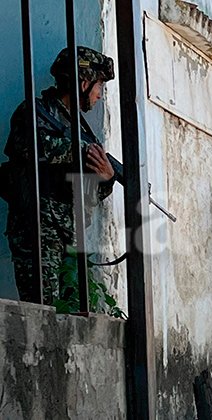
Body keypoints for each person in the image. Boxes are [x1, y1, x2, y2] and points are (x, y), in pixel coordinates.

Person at [3, 46, 116, 304]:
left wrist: (106, 177)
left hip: (67, 234)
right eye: (99, 86)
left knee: (69, 314)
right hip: (37, 229)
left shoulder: (79, 127)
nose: (100, 96)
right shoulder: (35, 112)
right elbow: (32, 146)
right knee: (42, 311)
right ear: (84, 82)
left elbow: (87, 195)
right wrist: (83, 151)